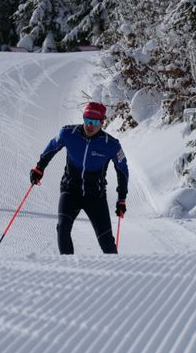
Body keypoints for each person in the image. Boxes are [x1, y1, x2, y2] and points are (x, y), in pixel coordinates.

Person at [30, 102, 128, 254]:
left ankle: (117, 275)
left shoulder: (111, 145)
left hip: (95, 195)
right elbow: (51, 147)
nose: (90, 125)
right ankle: (68, 268)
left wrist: (121, 198)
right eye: (87, 120)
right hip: (70, 190)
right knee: (62, 228)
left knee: (106, 241)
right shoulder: (68, 133)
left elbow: (122, 170)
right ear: (83, 118)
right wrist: (39, 168)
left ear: (102, 122)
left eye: (95, 122)